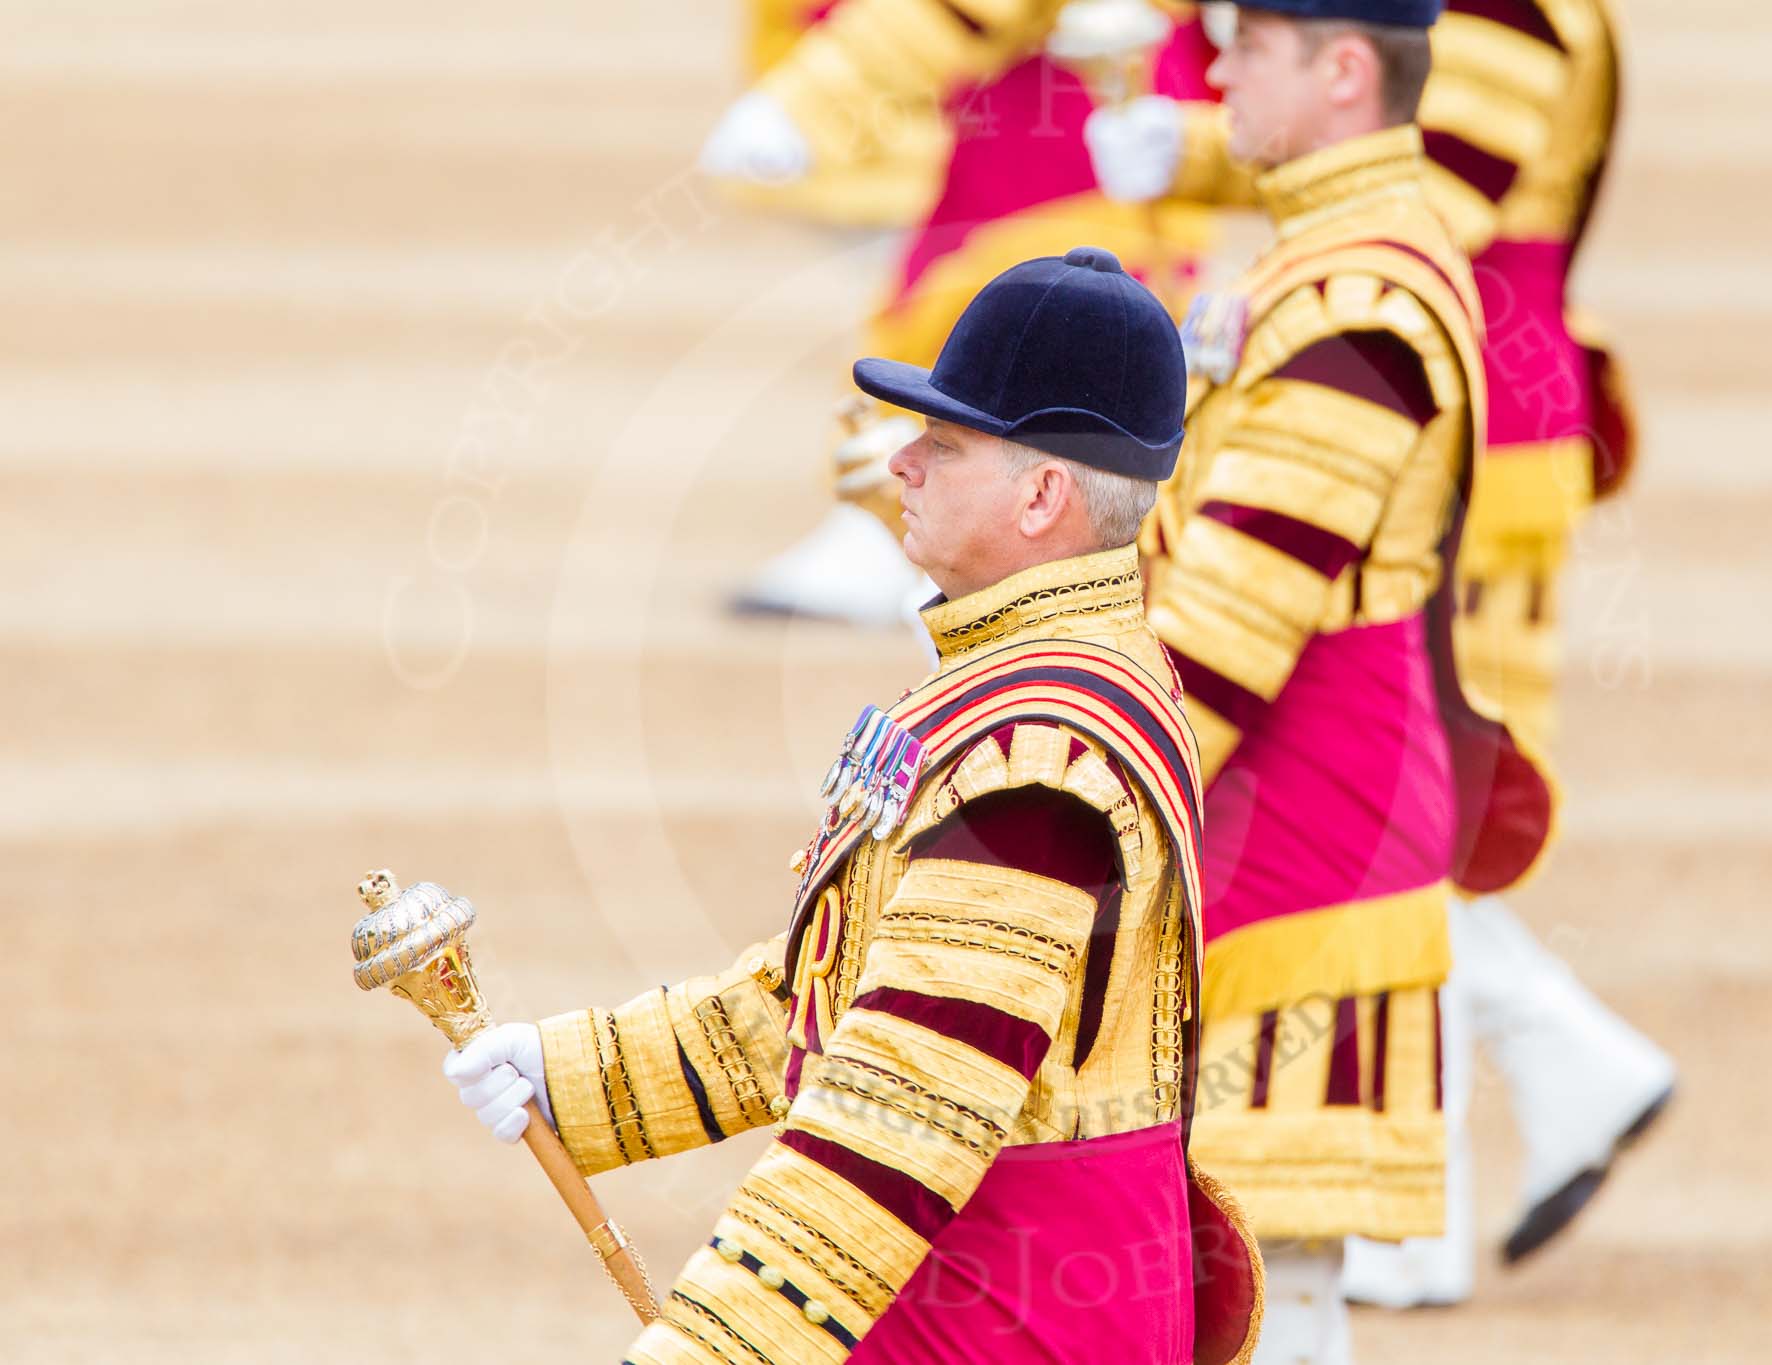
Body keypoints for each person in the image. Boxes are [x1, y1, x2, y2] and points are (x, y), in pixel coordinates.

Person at [440, 249, 1262, 1365]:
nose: (901, 463)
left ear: (1040, 495)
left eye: (946, 443)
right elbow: (842, 1000)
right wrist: (578, 1073)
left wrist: (711, 1348)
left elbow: (904, 1103)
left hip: (999, 1313)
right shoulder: (1050, 675)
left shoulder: (1034, 750)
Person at [1088, 0, 1675, 1312]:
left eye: (1251, 45)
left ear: (1343, 66)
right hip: (1310, 791)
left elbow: (1242, 618)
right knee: (1258, 1271)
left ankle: (1531, 1103)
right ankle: (1540, 1093)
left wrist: (1095, 777)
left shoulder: (1357, 284)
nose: (1217, 62)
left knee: (1269, 1270)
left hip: (1303, 814)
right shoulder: (1329, 258)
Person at [701, 0, 1220, 624]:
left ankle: (935, 547)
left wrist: (820, 100)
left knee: (988, 308)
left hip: (1058, 96)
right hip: (1058, 86)